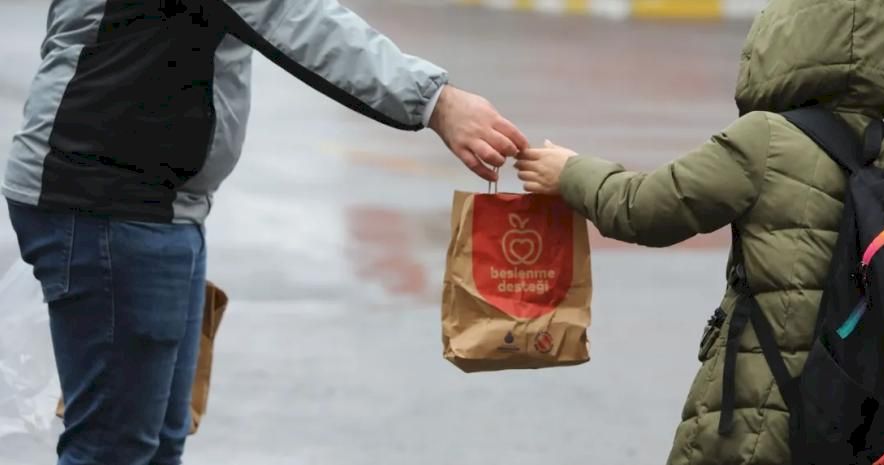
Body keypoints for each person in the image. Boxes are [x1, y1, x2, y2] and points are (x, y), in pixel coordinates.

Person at [2, 1, 528, 464]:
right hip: (112, 203)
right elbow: (293, 17)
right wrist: (436, 101)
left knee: (157, 440)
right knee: (115, 448)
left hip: (149, 202)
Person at [514, 0, 884, 464]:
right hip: (847, 415)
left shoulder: (768, 140)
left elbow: (644, 209)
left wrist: (570, 173)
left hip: (758, 415)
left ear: (789, 33)